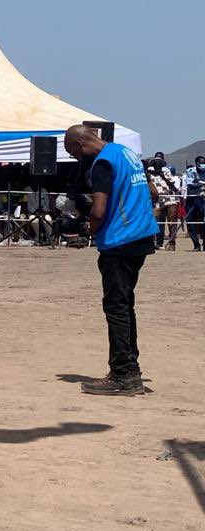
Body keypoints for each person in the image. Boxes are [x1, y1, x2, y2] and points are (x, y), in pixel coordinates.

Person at [64, 125, 157, 395]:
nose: (75, 158)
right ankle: (131, 369)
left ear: (80, 145)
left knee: (116, 307)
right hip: (142, 235)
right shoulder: (126, 153)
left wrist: (87, 228)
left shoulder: (102, 164)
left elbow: (99, 209)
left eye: (72, 153)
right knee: (126, 305)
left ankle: (123, 374)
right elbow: (153, 193)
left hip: (119, 241)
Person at [147, 157, 179, 251]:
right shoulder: (149, 175)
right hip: (158, 201)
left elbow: (174, 186)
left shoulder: (167, 172)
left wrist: (163, 176)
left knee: (172, 223)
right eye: (155, 163)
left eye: (159, 163)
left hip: (170, 200)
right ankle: (156, 242)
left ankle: (172, 244)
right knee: (154, 221)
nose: (157, 165)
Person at [183, 156, 205, 251]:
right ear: (196, 163)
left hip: (203, 200)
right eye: (201, 163)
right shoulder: (190, 171)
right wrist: (201, 184)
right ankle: (196, 245)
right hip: (191, 200)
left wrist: (199, 184)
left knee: (204, 222)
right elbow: (190, 183)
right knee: (191, 222)